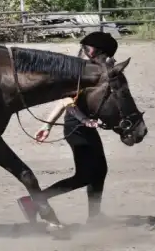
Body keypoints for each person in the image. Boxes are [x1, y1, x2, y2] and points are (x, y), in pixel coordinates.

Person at [16, 31, 118, 224]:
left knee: (100, 170)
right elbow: (66, 101)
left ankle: (94, 216)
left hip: (84, 126)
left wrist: (47, 125)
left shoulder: (90, 70)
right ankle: (33, 201)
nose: (109, 58)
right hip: (76, 127)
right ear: (95, 52)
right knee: (84, 175)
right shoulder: (80, 72)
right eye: (106, 54)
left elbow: (66, 101)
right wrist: (83, 120)